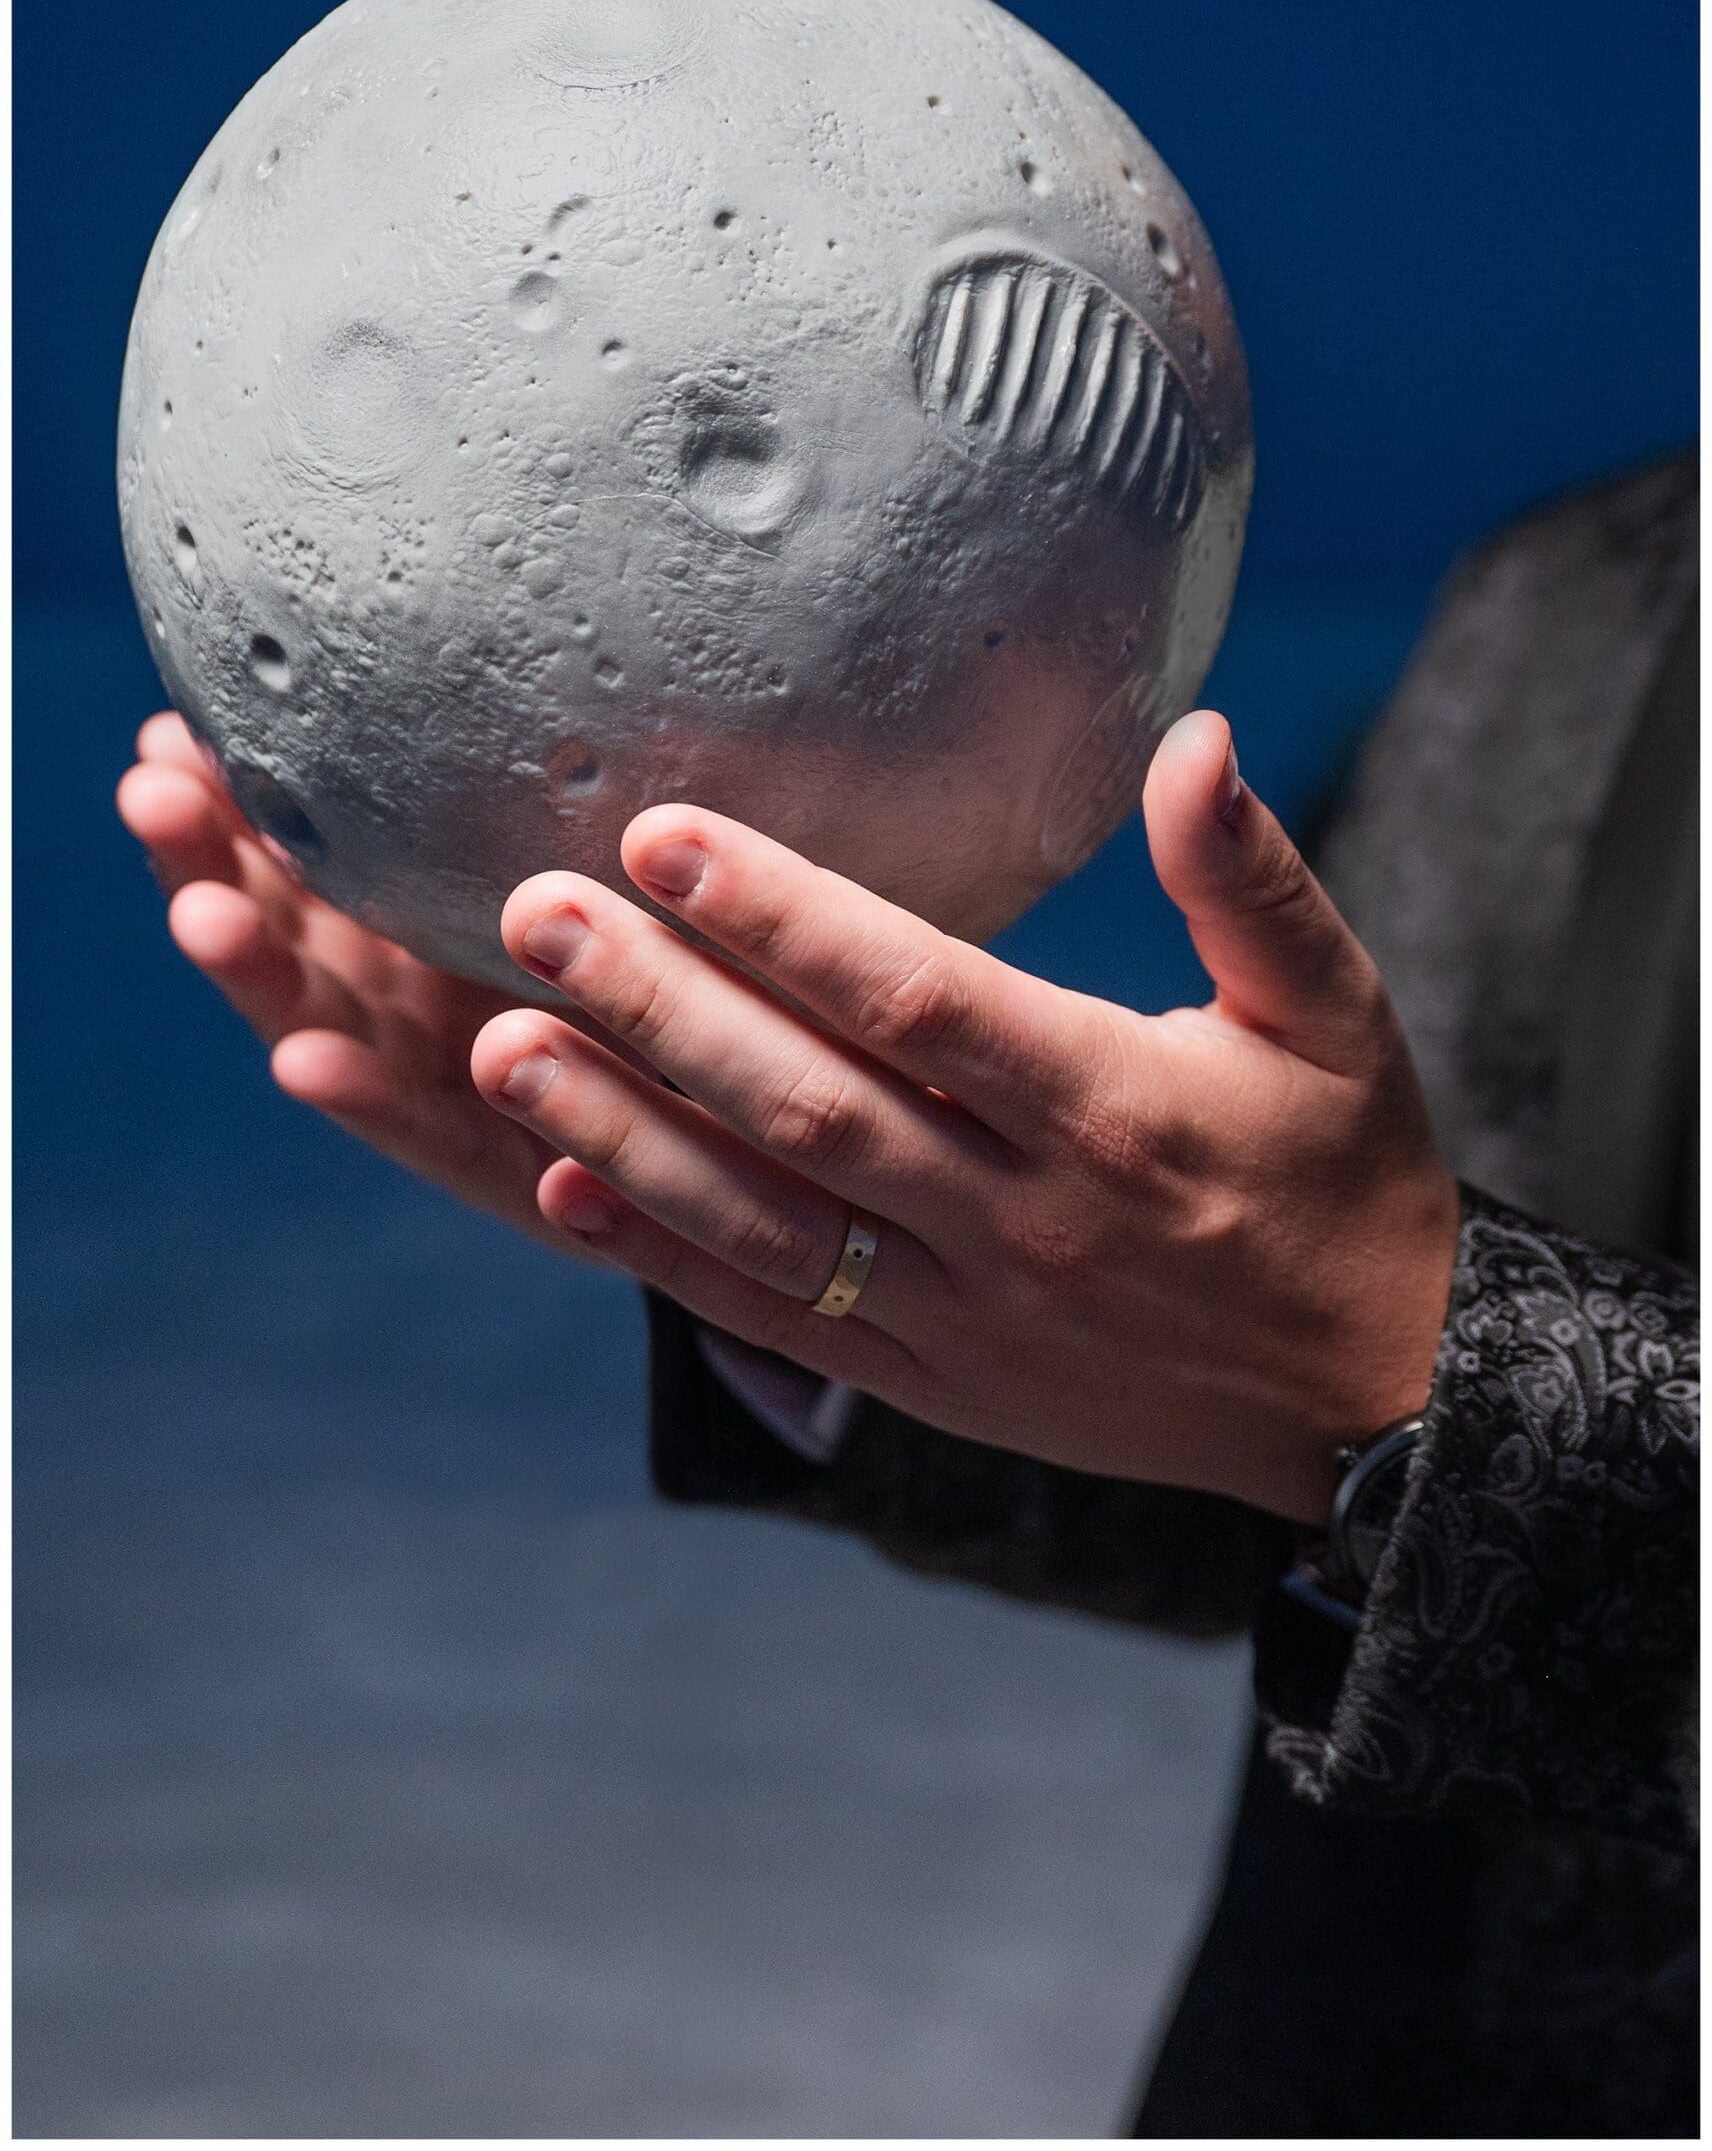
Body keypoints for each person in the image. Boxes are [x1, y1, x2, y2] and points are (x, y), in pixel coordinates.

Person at [118, 449, 1697, 2136]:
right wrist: (794, 1232)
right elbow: (1341, 1525)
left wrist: (1421, 1365)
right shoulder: (1579, 604)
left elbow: (1400, 1379)